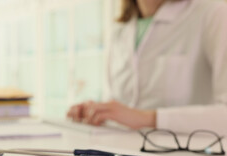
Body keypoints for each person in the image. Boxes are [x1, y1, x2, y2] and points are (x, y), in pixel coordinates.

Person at [67, 0, 227, 134]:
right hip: (124, 155)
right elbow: (121, 103)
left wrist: (146, 118)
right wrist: (97, 112)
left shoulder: (213, 12)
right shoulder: (120, 29)